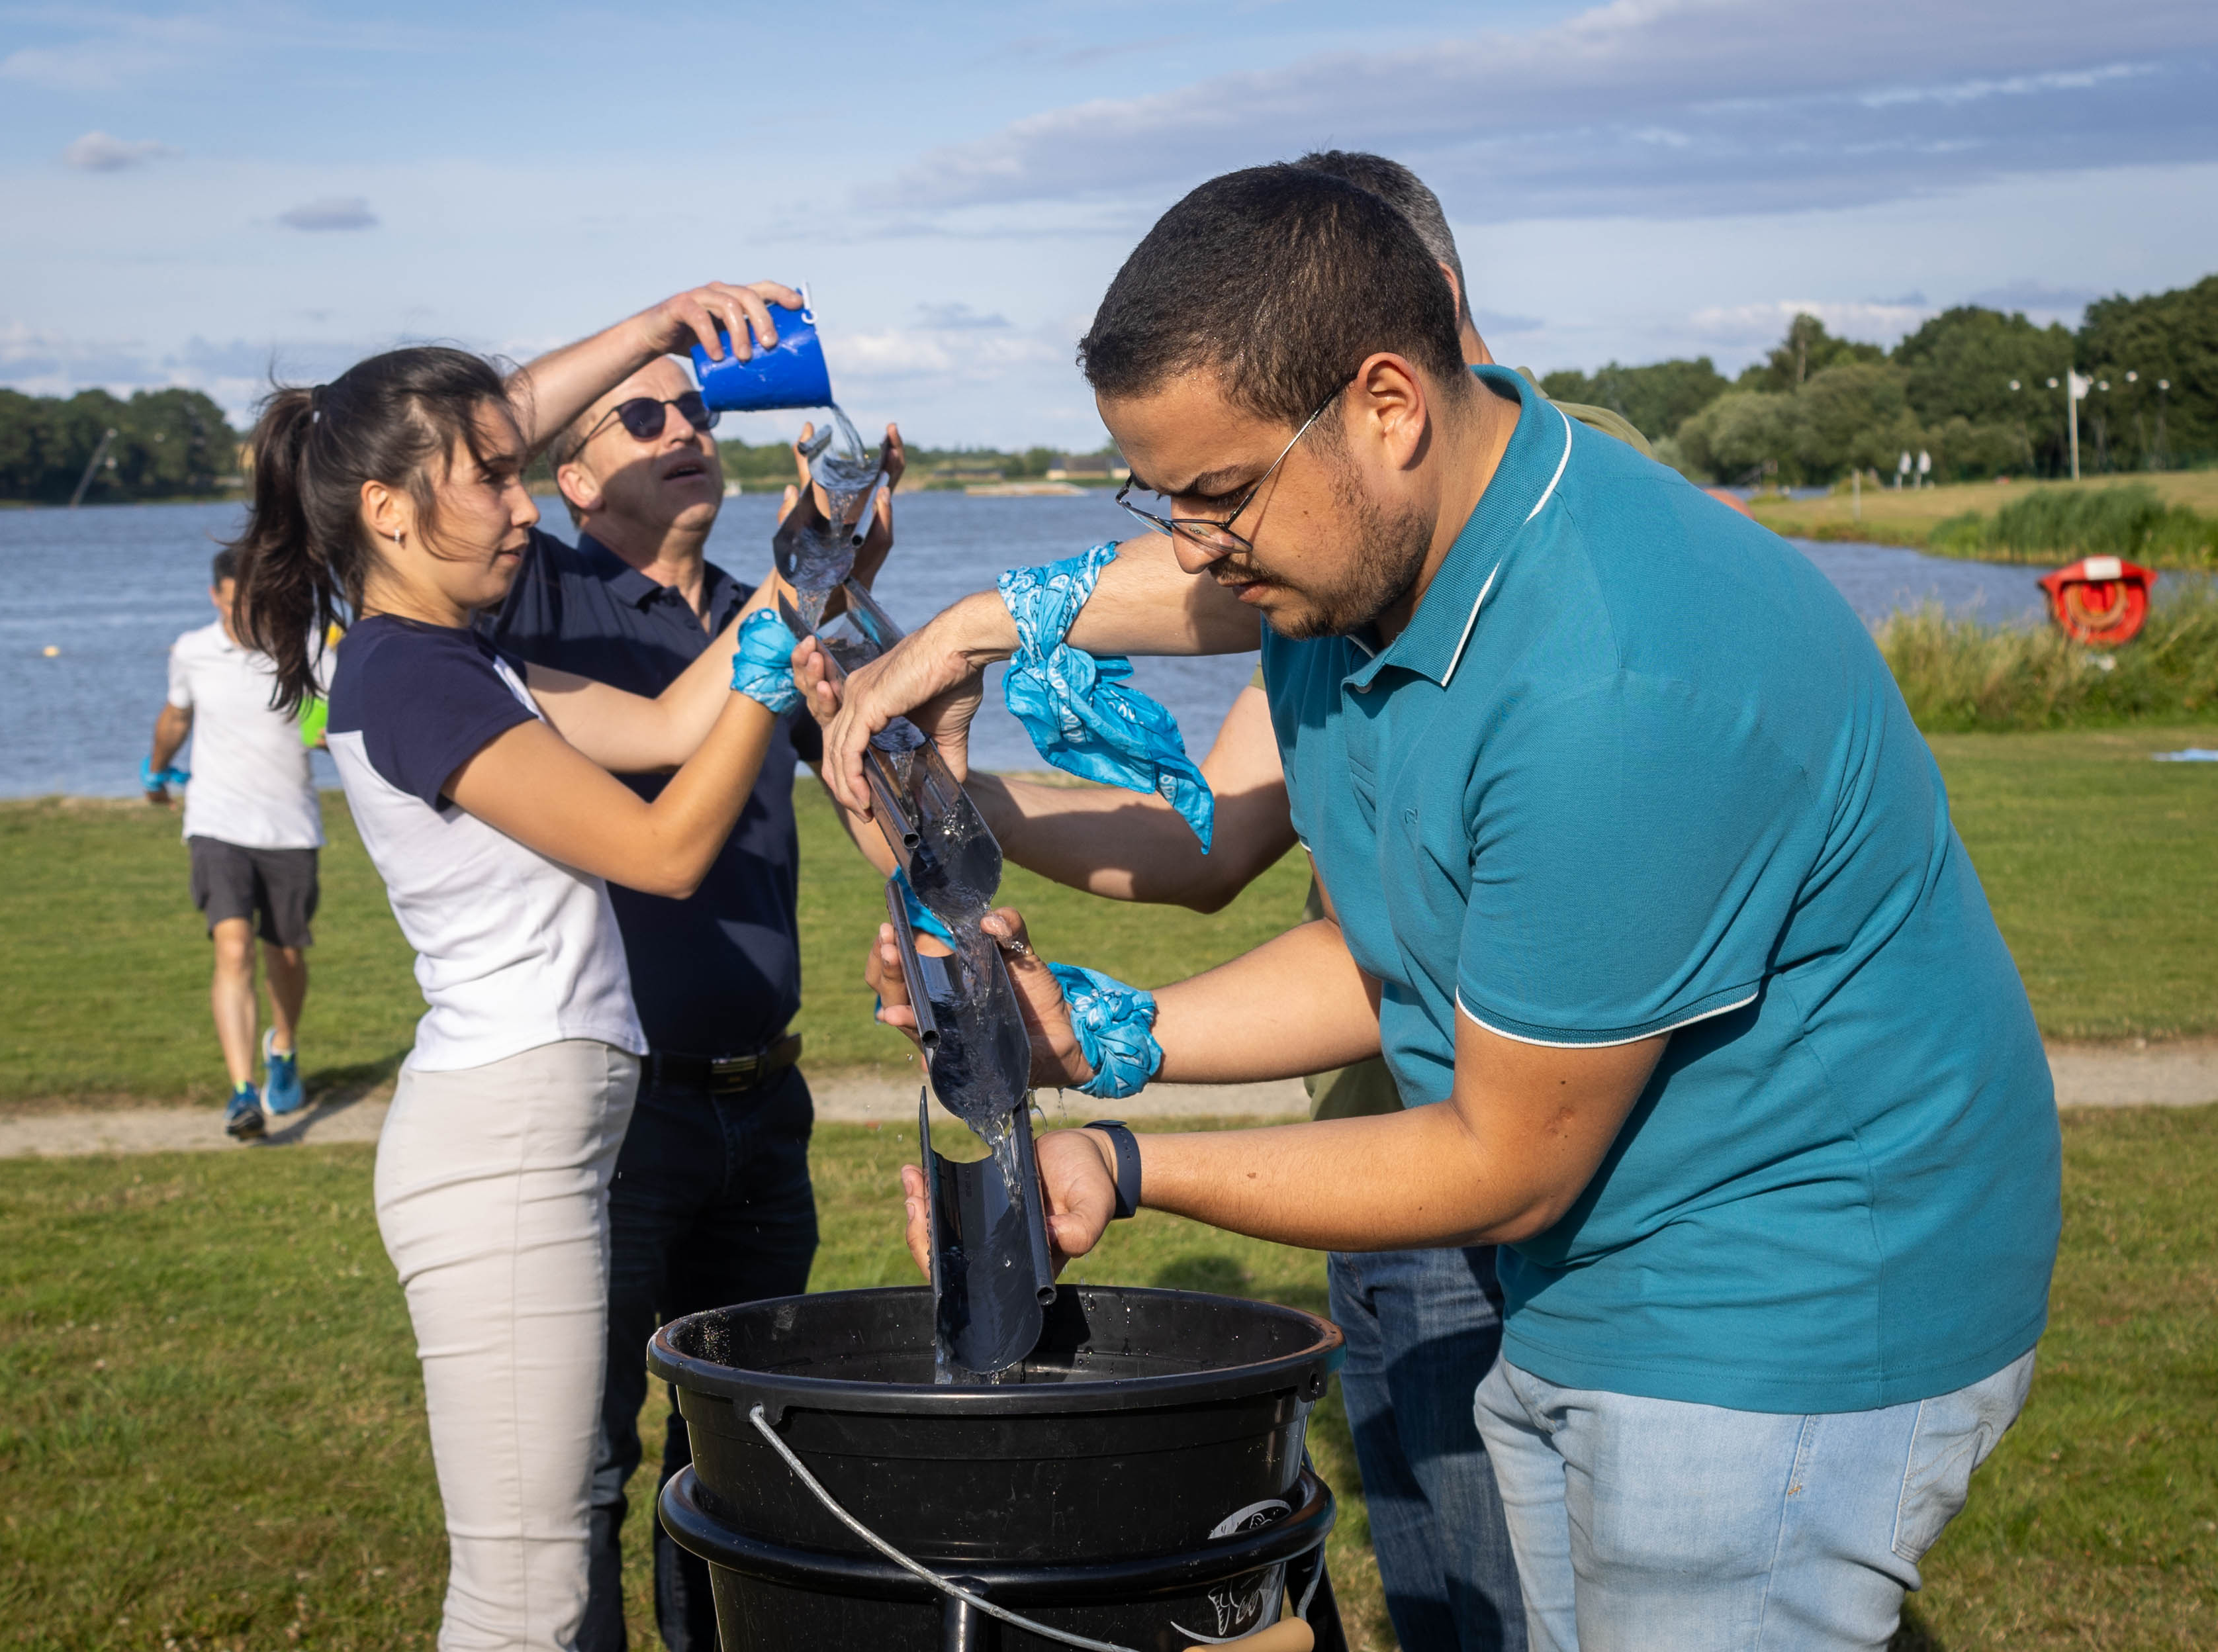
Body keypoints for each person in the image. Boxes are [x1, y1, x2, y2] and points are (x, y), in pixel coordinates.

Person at [827, 168, 2060, 1651]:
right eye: (1163, 500)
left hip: (1785, 1303)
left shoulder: (1609, 679)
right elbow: (1389, 955)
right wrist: (1092, 1026)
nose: (1200, 549)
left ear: (1389, 403)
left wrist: (1128, 1163)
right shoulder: (1377, 566)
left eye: (1217, 497)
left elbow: (1507, 1158)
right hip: (1596, 1277)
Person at [930, 148, 1661, 1652]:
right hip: (1374, 1167)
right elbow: (1212, 844)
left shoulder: (1570, 565)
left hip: (1541, 1192)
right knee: (1448, 1598)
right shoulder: (1331, 576)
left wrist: (1121, 1127)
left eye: (1228, 482)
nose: (1215, 535)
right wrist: (953, 793)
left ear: (1416, 332)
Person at [230, 280, 814, 1652]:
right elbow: (666, 849)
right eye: (490, 482)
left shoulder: (447, 661)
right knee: (528, 1592)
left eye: (516, 476)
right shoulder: (410, 671)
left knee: (538, 1577)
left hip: (532, 1132)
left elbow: (679, 715)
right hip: (501, 1151)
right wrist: (791, 620)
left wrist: (793, 572)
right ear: (387, 510)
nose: (522, 503)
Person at [481, 355, 903, 1652]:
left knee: (741, 1451)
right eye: (647, 418)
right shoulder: (527, 596)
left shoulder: (750, 601)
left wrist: (842, 593)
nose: (692, 435)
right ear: (566, 472)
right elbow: (463, 442)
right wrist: (806, 577)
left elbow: (866, 780)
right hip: (615, 1114)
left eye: (706, 417)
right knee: (584, 1462)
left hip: (761, 1104)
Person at [148, 545, 329, 1140]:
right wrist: (156, 772)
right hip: (216, 823)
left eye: (256, 603)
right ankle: (242, 1092)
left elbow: (322, 726)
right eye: (234, 605)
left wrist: (327, 727)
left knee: (286, 955)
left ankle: (285, 1046)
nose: (245, 616)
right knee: (232, 949)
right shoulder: (193, 651)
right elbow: (177, 717)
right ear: (215, 597)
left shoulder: (302, 647)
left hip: (289, 828)